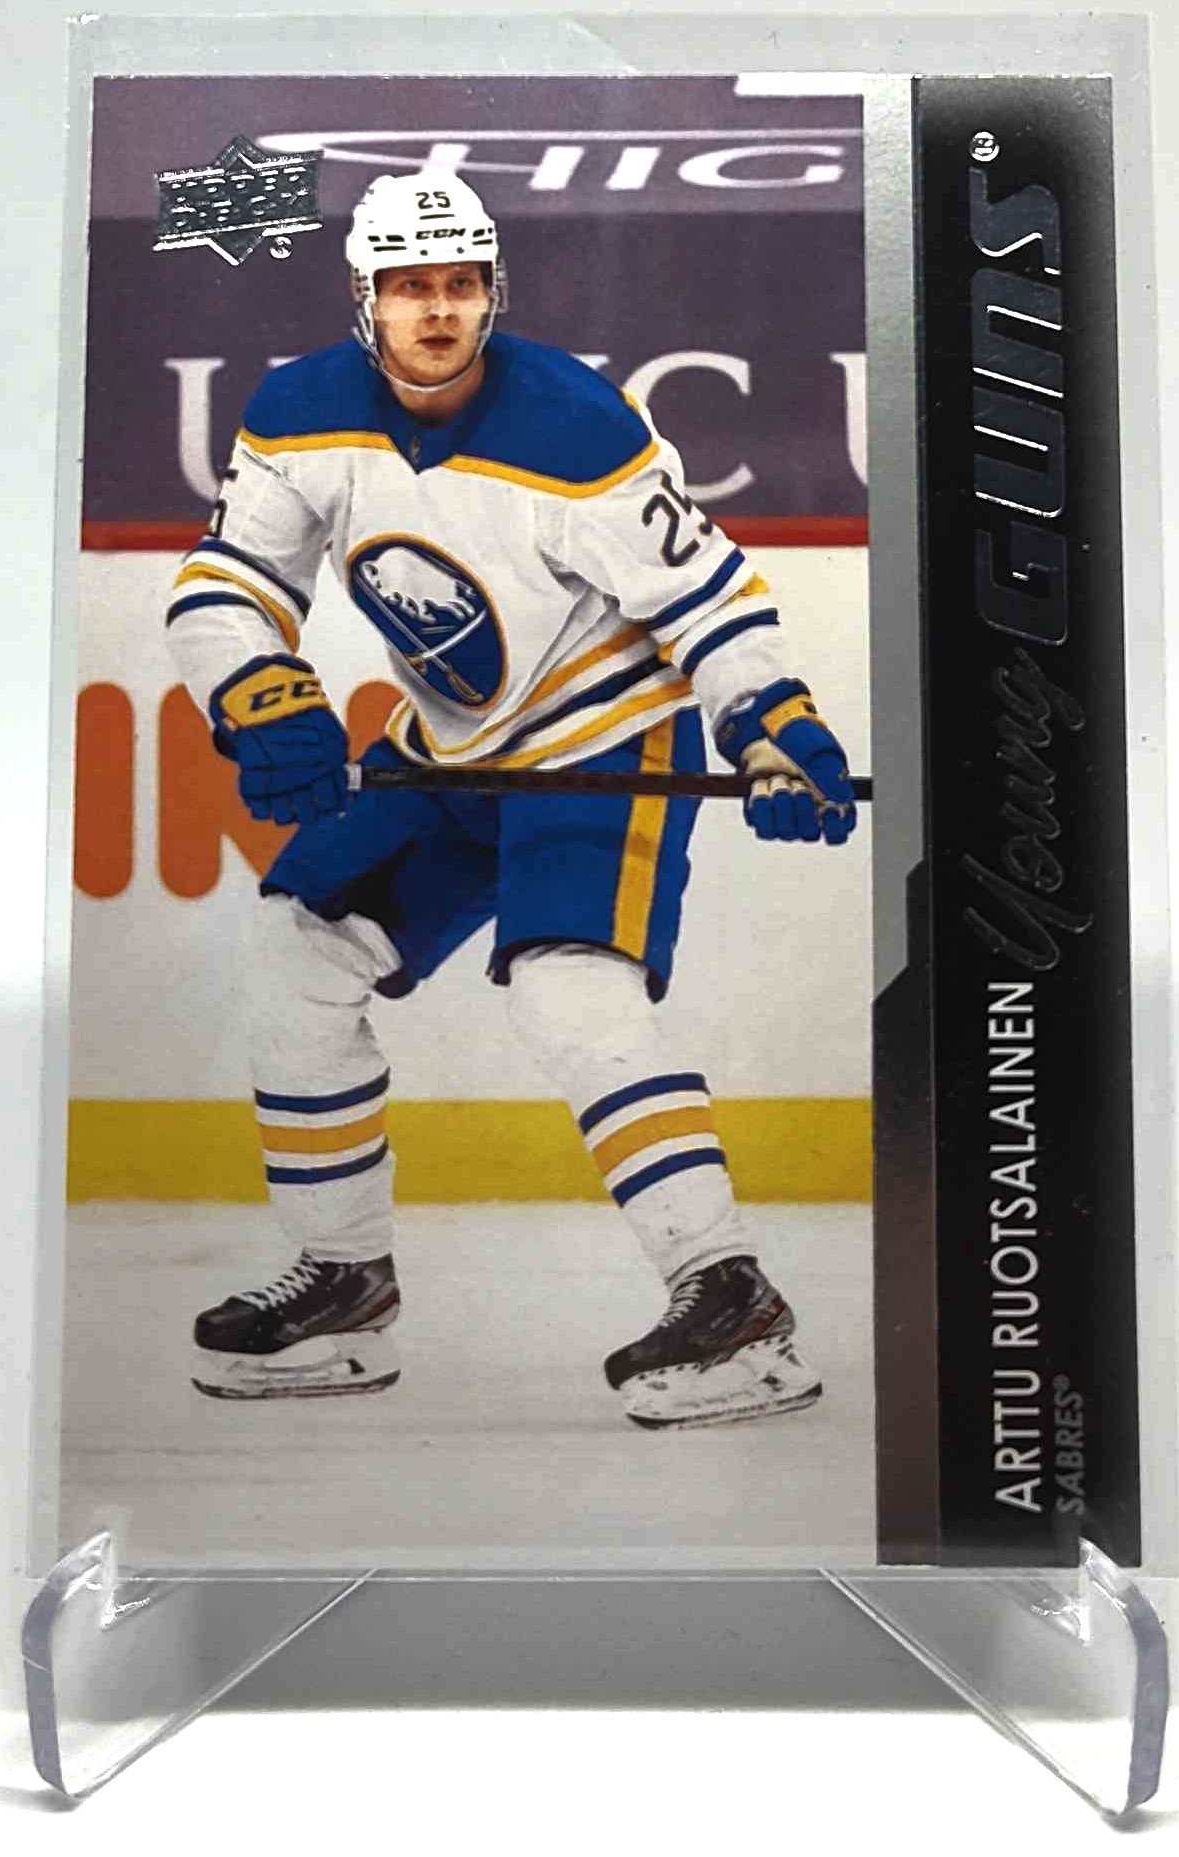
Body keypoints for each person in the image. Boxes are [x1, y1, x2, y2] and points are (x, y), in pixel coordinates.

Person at [166, 171, 856, 1427]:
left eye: (459, 283)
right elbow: (231, 576)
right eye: (409, 287)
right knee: (295, 947)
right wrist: (257, 687)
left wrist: (768, 721)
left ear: (493, 290)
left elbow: (707, 600)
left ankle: (732, 1297)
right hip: (451, 748)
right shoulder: (297, 412)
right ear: (363, 296)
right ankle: (345, 1285)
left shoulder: (576, 425)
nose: (437, 310)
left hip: (603, 739)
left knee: (567, 987)